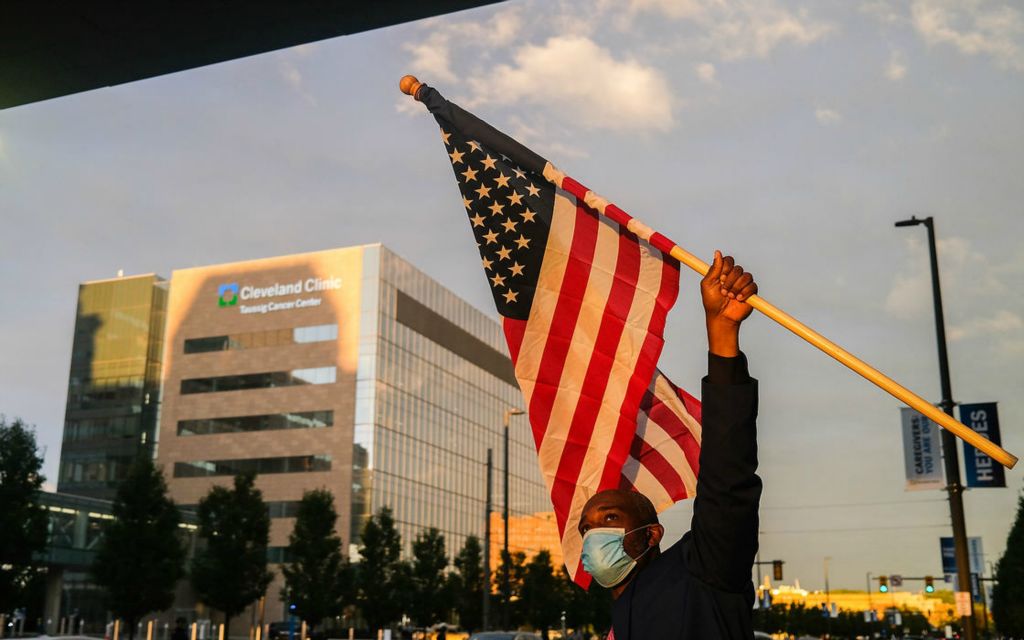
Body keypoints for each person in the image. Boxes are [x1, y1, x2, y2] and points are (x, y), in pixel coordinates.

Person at [578, 251, 762, 639]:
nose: (594, 537)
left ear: (652, 534)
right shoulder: (620, 615)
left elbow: (728, 482)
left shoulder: (702, 572)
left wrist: (722, 333)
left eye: (610, 520)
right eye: (587, 528)